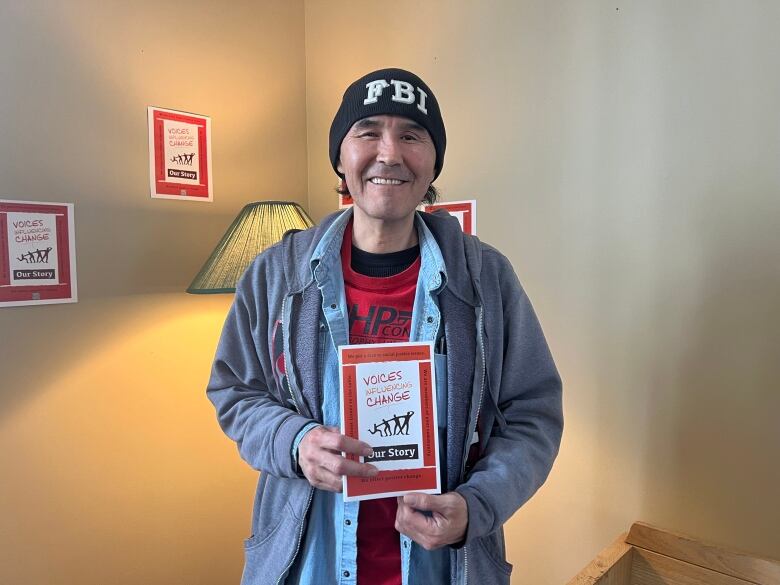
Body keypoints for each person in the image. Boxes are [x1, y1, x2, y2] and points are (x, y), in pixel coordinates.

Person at [207, 68, 563, 585]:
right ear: (341, 156)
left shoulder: (485, 278)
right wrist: (295, 442)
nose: (390, 153)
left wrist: (478, 504)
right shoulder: (276, 274)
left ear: (434, 159)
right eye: (368, 131)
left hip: (442, 570)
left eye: (412, 135)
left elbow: (533, 414)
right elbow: (234, 390)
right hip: (308, 567)